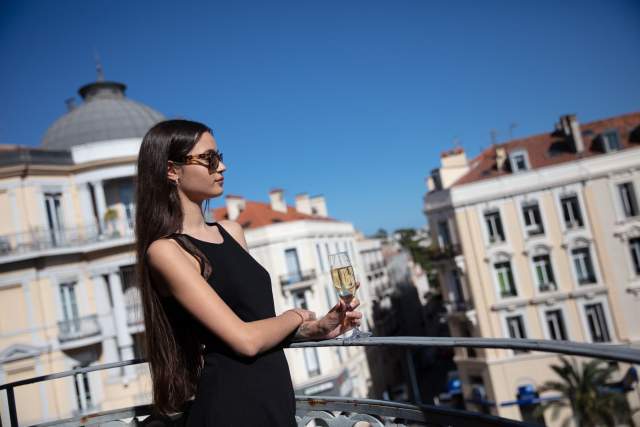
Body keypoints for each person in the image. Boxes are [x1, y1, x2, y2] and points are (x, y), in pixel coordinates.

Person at [134, 119, 363, 426]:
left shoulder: (232, 231)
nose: (223, 167)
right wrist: (296, 316)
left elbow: (257, 323)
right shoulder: (166, 251)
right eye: (209, 159)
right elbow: (244, 340)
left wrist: (317, 328)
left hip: (275, 399)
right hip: (232, 407)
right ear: (172, 171)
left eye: (220, 156)